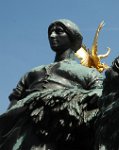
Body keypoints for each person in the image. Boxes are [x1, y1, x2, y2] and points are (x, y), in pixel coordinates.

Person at [0, 19, 103, 150]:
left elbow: (101, 93)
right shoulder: (32, 73)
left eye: (59, 31)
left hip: (62, 131)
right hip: (22, 130)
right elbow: (15, 101)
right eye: (50, 32)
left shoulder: (89, 73)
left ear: (72, 37)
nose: (52, 35)